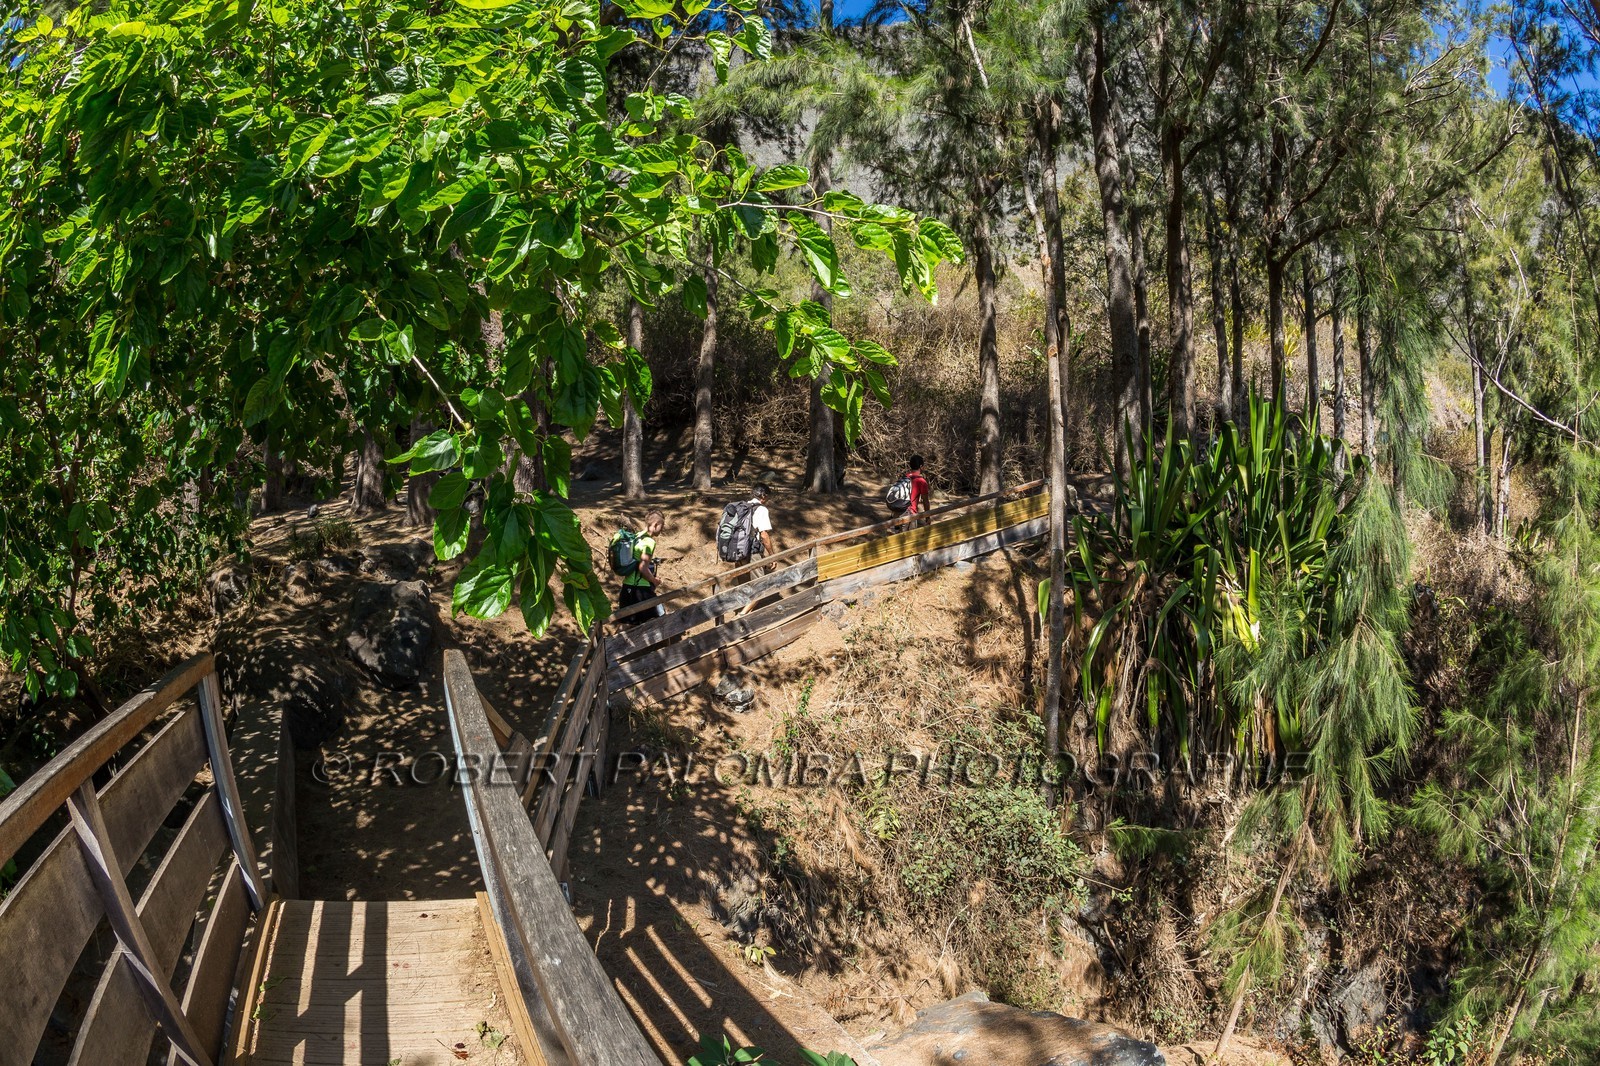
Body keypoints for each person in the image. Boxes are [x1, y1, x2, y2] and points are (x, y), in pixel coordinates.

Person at [616, 510, 665, 624]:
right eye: (661, 527)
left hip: (626, 588)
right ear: (655, 525)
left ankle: (611, 642)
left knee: (626, 623)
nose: (661, 530)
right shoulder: (649, 542)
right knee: (655, 621)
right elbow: (642, 567)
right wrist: (654, 581)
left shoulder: (636, 537)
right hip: (641, 590)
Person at [904, 455, 931, 519]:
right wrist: (928, 518)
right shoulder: (921, 481)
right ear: (921, 466)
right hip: (910, 514)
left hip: (898, 512)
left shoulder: (905, 476)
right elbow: (925, 501)